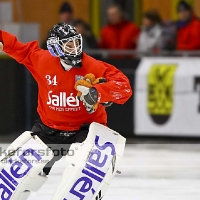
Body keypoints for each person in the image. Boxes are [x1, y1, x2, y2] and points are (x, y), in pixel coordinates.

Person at [0, 23, 132, 197]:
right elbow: (14, 46)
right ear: (55, 47)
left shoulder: (94, 66)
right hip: (48, 130)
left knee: (84, 174)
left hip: (85, 131)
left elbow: (124, 87)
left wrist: (98, 93)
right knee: (14, 178)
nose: (75, 49)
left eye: (77, 43)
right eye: (69, 45)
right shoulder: (40, 59)